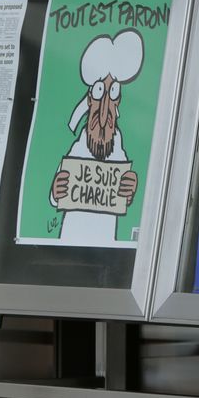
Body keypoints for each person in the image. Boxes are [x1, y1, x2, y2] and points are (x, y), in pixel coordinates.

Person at [50, 28, 141, 245]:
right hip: (70, 241)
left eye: (113, 93)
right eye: (101, 91)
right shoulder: (78, 147)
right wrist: (56, 190)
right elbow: (56, 193)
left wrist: (130, 188)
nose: (105, 107)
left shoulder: (118, 148)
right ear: (90, 97)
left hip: (107, 245)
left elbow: (125, 194)